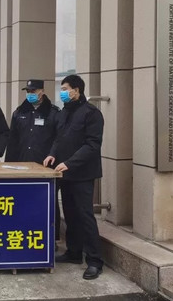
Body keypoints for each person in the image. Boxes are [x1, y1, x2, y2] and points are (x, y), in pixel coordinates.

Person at [43, 74, 104, 280]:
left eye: (65, 89)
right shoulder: (63, 113)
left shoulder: (92, 114)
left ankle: (95, 261)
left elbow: (92, 145)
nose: (62, 92)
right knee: (69, 214)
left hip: (82, 174)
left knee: (85, 215)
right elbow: (58, 139)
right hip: (64, 173)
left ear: (76, 90)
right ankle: (74, 252)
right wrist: (52, 154)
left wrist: (70, 162)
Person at [5, 79, 61, 242]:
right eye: (28, 91)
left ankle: (52, 238)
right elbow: (12, 141)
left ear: (42, 91)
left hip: (45, 166)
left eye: (33, 91)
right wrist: (8, 166)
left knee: (48, 202)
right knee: (22, 201)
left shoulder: (53, 113)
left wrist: (53, 156)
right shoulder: (19, 112)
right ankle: (22, 234)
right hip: (22, 165)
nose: (30, 94)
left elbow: (59, 139)